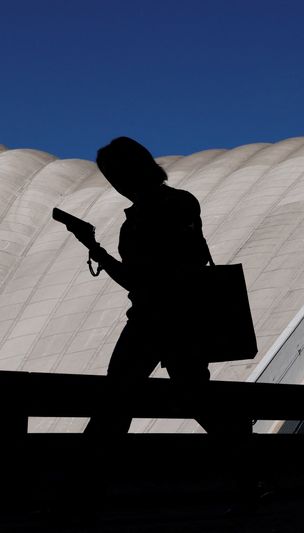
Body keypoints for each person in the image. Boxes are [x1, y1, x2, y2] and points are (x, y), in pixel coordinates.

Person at [70, 136, 251, 435]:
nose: (114, 184)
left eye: (114, 175)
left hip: (153, 320)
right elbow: (192, 258)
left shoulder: (141, 219)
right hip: (189, 316)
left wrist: (94, 249)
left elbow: (137, 280)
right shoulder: (184, 201)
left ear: (127, 173)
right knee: (193, 391)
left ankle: (85, 472)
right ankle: (250, 457)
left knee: (118, 394)